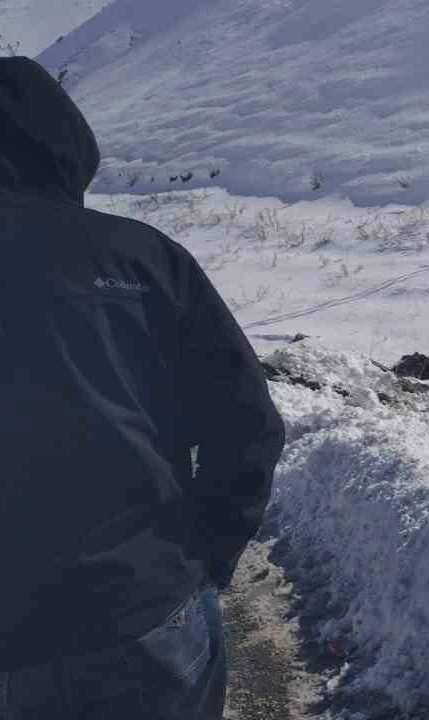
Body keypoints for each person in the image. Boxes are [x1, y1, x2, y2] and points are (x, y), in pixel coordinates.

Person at [0, 57, 285, 719]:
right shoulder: (144, 258)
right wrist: (204, 558)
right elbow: (248, 425)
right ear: (68, 149)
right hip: (143, 609)